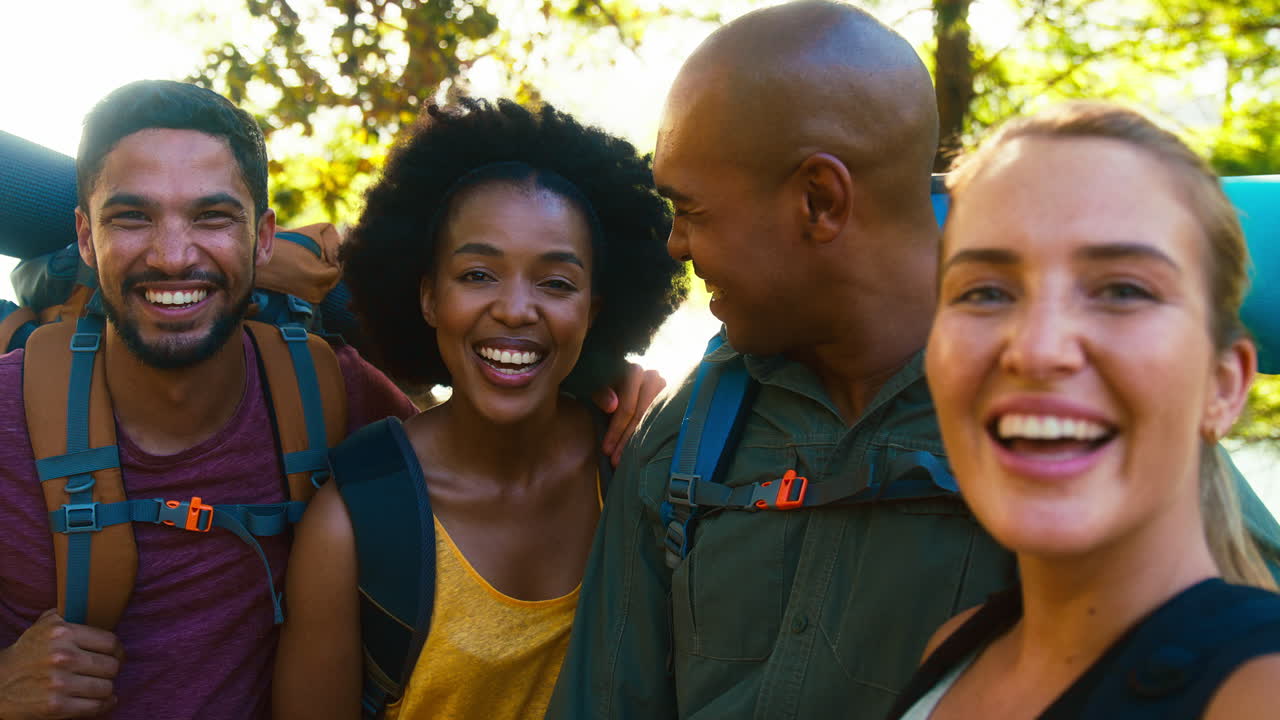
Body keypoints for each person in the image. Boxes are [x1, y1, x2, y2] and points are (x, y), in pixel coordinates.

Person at [547, 3, 1280, 718]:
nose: (675, 244)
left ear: (819, 200)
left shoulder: (1061, 434)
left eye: (692, 210)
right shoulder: (686, 439)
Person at [0, 81, 661, 720]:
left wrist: (604, 381)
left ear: (263, 239)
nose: (173, 255)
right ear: (84, 238)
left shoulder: (330, 394)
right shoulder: (9, 412)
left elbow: (477, 433)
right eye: (132, 217)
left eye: (212, 217)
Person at [272, 98, 686, 720]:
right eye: (477, 275)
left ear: (594, 311)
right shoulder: (351, 525)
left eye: (556, 283)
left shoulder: (639, 466)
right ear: (428, 297)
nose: (516, 309)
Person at [889, 102, 1280, 720]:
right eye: (984, 292)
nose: (1037, 349)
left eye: (1123, 290)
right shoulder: (957, 648)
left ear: (1224, 384)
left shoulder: (1258, 692)